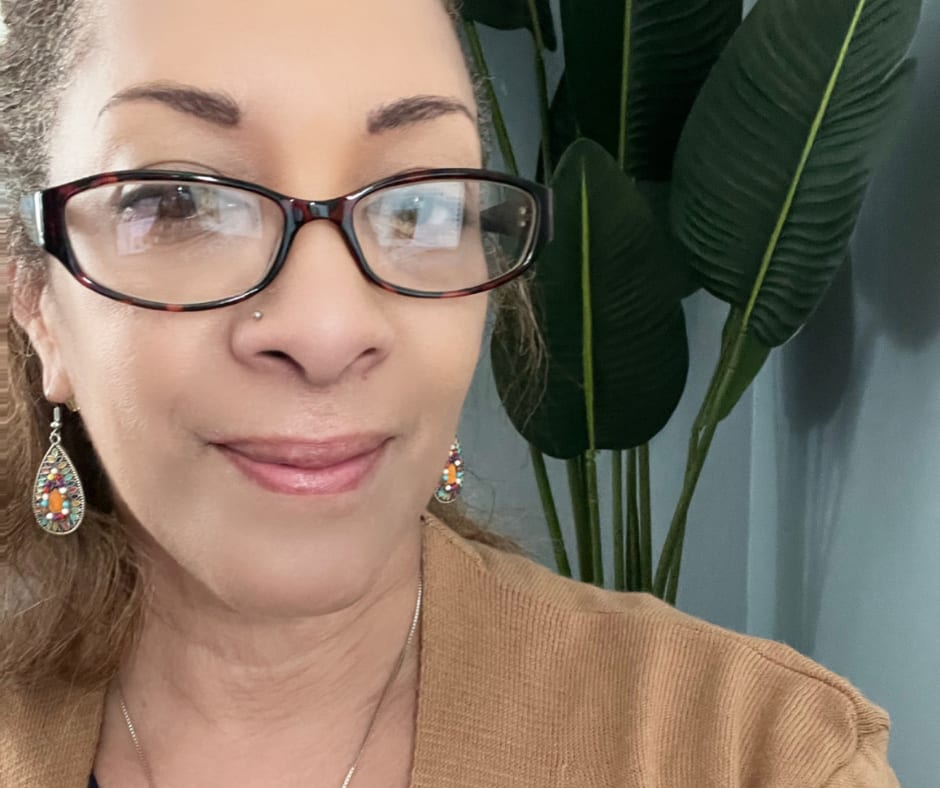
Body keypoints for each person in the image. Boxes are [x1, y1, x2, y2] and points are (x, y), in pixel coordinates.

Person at [0, 1, 899, 786]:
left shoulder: (763, 755)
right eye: (177, 202)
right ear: (38, 304)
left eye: (419, 204)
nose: (328, 330)